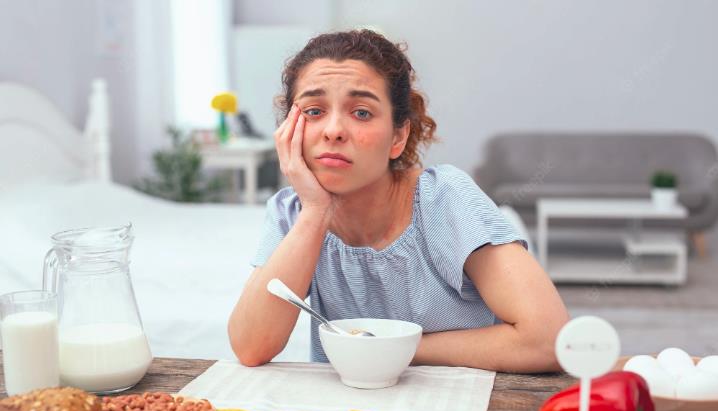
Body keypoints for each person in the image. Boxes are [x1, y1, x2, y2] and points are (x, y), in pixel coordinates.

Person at [228, 29, 569, 373]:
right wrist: (315, 212)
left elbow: (548, 340)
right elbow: (250, 346)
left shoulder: (445, 199)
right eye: (314, 111)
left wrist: (395, 348)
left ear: (397, 137)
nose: (333, 130)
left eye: (361, 112)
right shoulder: (291, 212)